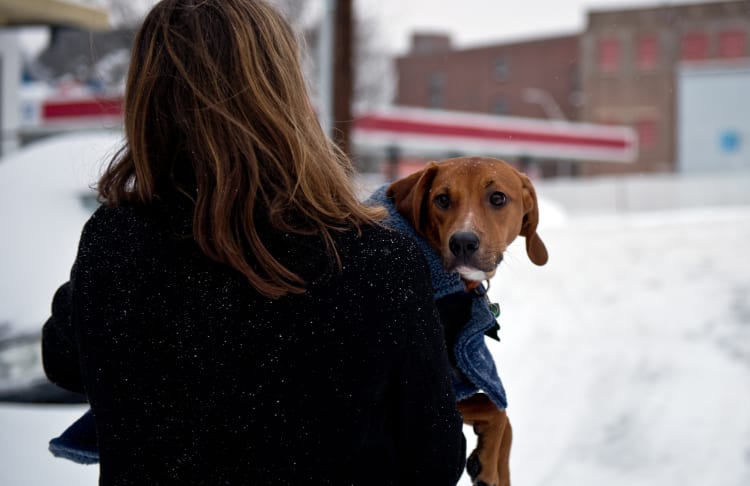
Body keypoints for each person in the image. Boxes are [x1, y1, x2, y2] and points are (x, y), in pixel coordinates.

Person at [41, 0, 466, 484]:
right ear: (285, 94)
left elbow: (63, 361)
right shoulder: (376, 260)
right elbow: (435, 460)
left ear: (148, 97)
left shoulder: (114, 239)